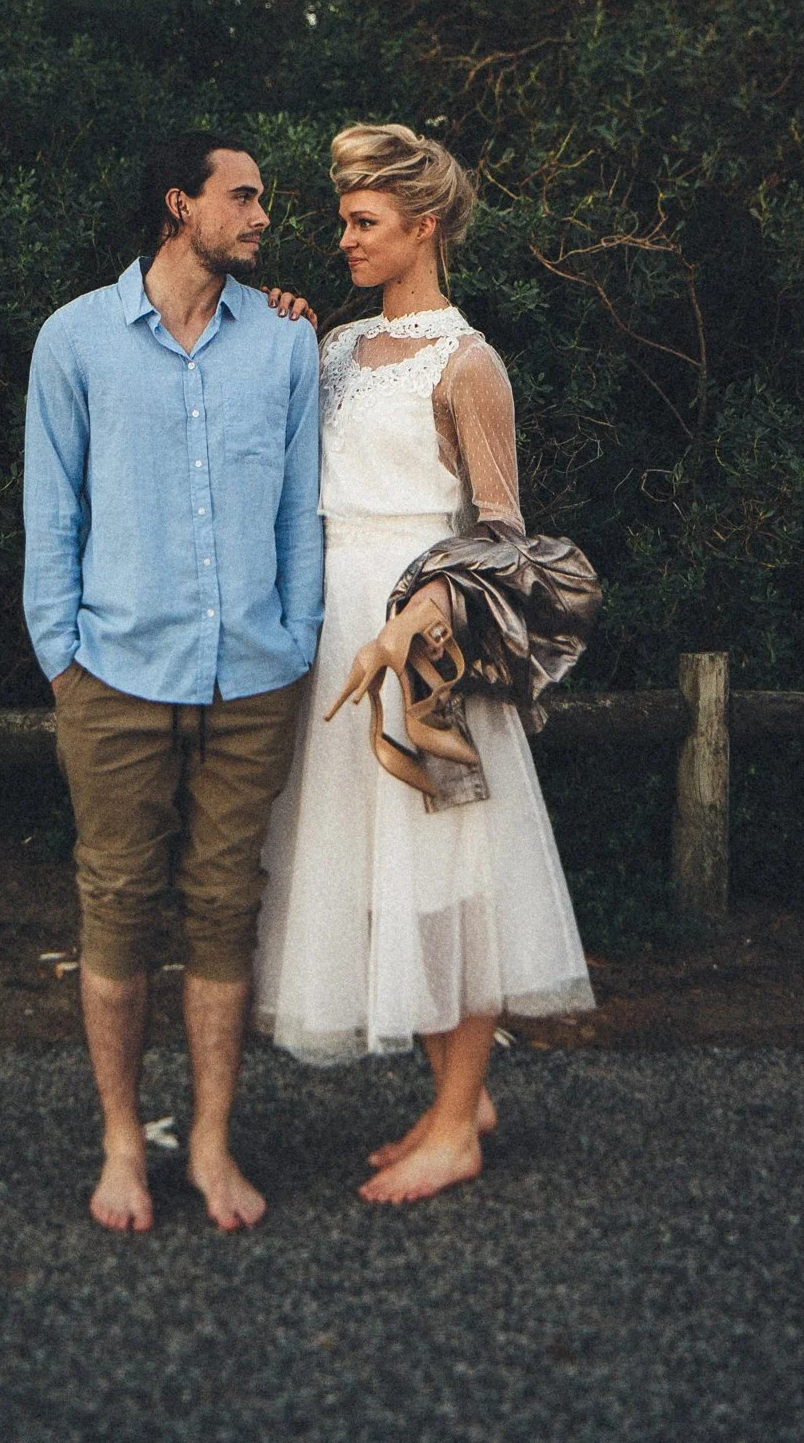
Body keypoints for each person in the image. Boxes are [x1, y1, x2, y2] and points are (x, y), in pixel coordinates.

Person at [254, 123, 595, 1203]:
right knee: (379, 864)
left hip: (427, 643)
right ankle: (464, 1090)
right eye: (344, 218)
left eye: (364, 221)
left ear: (424, 227)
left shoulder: (470, 362)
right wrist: (285, 330)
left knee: (451, 874)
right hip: (334, 629)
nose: (343, 237)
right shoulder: (339, 347)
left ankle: (456, 1124)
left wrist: (418, 616)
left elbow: (506, 534)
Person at [23, 132, 323, 1234]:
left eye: (262, 201)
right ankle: (120, 1142)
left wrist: (295, 640)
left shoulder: (285, 342)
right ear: (177, 204)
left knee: (224, 912)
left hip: (252, 676)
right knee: (115, 910)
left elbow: (302, 509)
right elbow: (51, 515)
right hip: (112, 676)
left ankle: (209, 1141)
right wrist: (63, 655)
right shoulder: (76, 340)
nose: (261, 216)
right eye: (241, 197)